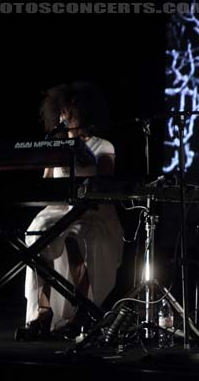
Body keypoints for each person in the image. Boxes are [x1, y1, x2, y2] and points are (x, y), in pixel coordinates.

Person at [17, 82, 123, 340]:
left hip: (92, 210)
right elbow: (46, 186)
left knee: (75, 238)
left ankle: (82, 312)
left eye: (69, 111)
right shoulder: (57, 145)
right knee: (39, 233)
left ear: (82, 112)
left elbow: (104, 186)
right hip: (59, 208)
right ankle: (44, 311)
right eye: (61, 112)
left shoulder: (103, 146)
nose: (64, 116)